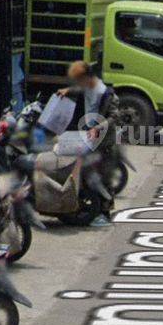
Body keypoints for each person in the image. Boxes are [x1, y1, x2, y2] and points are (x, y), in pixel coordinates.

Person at [57, 61, 121, 227]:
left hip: (104, 141)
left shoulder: (106, 93)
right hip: (89, 139)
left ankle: (105, 215)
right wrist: (67, 90)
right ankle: (92, 210)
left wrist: (97, 128)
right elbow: (78, 90)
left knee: (104, 176)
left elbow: (114, 117)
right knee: (89, 175)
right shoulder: (86, 87)